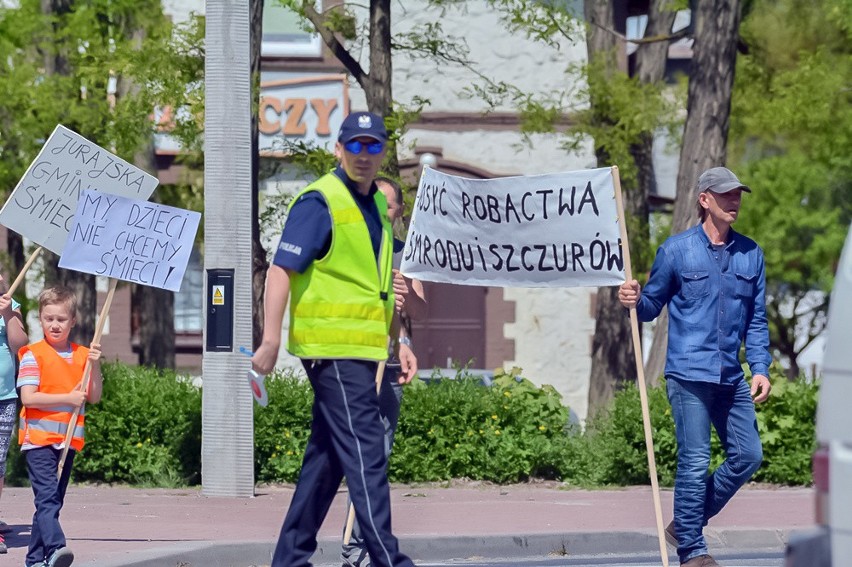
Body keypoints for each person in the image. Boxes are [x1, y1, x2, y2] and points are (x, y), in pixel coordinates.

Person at [252, 111, 416, 567]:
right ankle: (390, 561)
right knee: (367, 452)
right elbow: (282, 270)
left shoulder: (377, 209)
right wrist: (270, 339)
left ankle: (290, 559)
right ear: (338, 149)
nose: (364, 155)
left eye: (373, 146)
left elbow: (378, 287)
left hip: (364, 350)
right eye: (355, 145)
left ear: (382, 152)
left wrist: (396, 342)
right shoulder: (320, 201)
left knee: (327, 459)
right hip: (332, 351)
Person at [618, 166, 771, 567]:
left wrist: (760, 367)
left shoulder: (751, 253)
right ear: (704, 199)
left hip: (730, 374)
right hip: (688, 374)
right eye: (725, 195)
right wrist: (633, 298)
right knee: (695, 460)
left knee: (748, 455)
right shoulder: (676, 250)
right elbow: (650, 308)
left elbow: (756, 319)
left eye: (738, 194)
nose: (734, 201)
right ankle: (692, 551)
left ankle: (687, 522)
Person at [340, 176, 427, 567]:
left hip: (388, 368)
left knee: (378, 456)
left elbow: (420, 313)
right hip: (352, 363)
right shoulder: (350, 247)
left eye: (387, 204)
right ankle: (355, 545)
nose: (379, 209)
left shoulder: (408, 255)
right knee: (350, 455)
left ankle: (362, 545)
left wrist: (404, 298)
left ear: (399, 212)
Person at [17, 286, 103, 567]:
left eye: (61, 319)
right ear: (40, 320)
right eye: (49, 318)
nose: (54, 325)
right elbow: (28, 397)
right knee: (47, 499)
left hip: (66, 442)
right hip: (39, 440)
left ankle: (34, 560)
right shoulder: (33, 355)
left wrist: (96, 366)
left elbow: (94, 396)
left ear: (73, 321)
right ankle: (55, 548)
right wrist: (66, 398)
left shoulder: (81, 356)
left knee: (51, 502)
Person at [0, 274, 28, 554]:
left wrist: (8, 313)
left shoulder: (11, 304)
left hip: (3, 397)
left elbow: (19, 344)